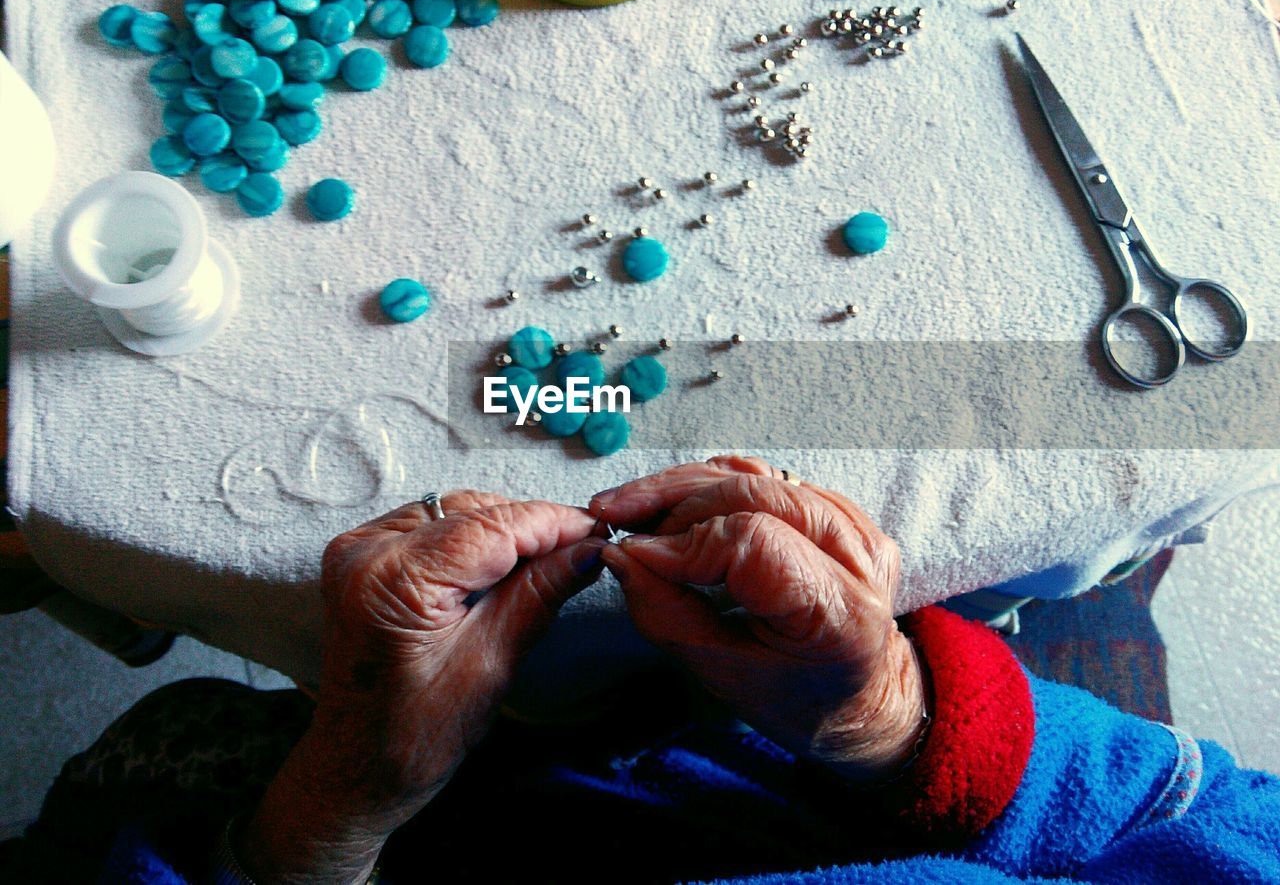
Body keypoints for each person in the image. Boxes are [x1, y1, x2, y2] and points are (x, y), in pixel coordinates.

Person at [4, 457, 1279, 883]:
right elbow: (1201, 822)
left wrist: (332, 810)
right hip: (842, 789)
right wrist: (887, 718)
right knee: (1058, 590)